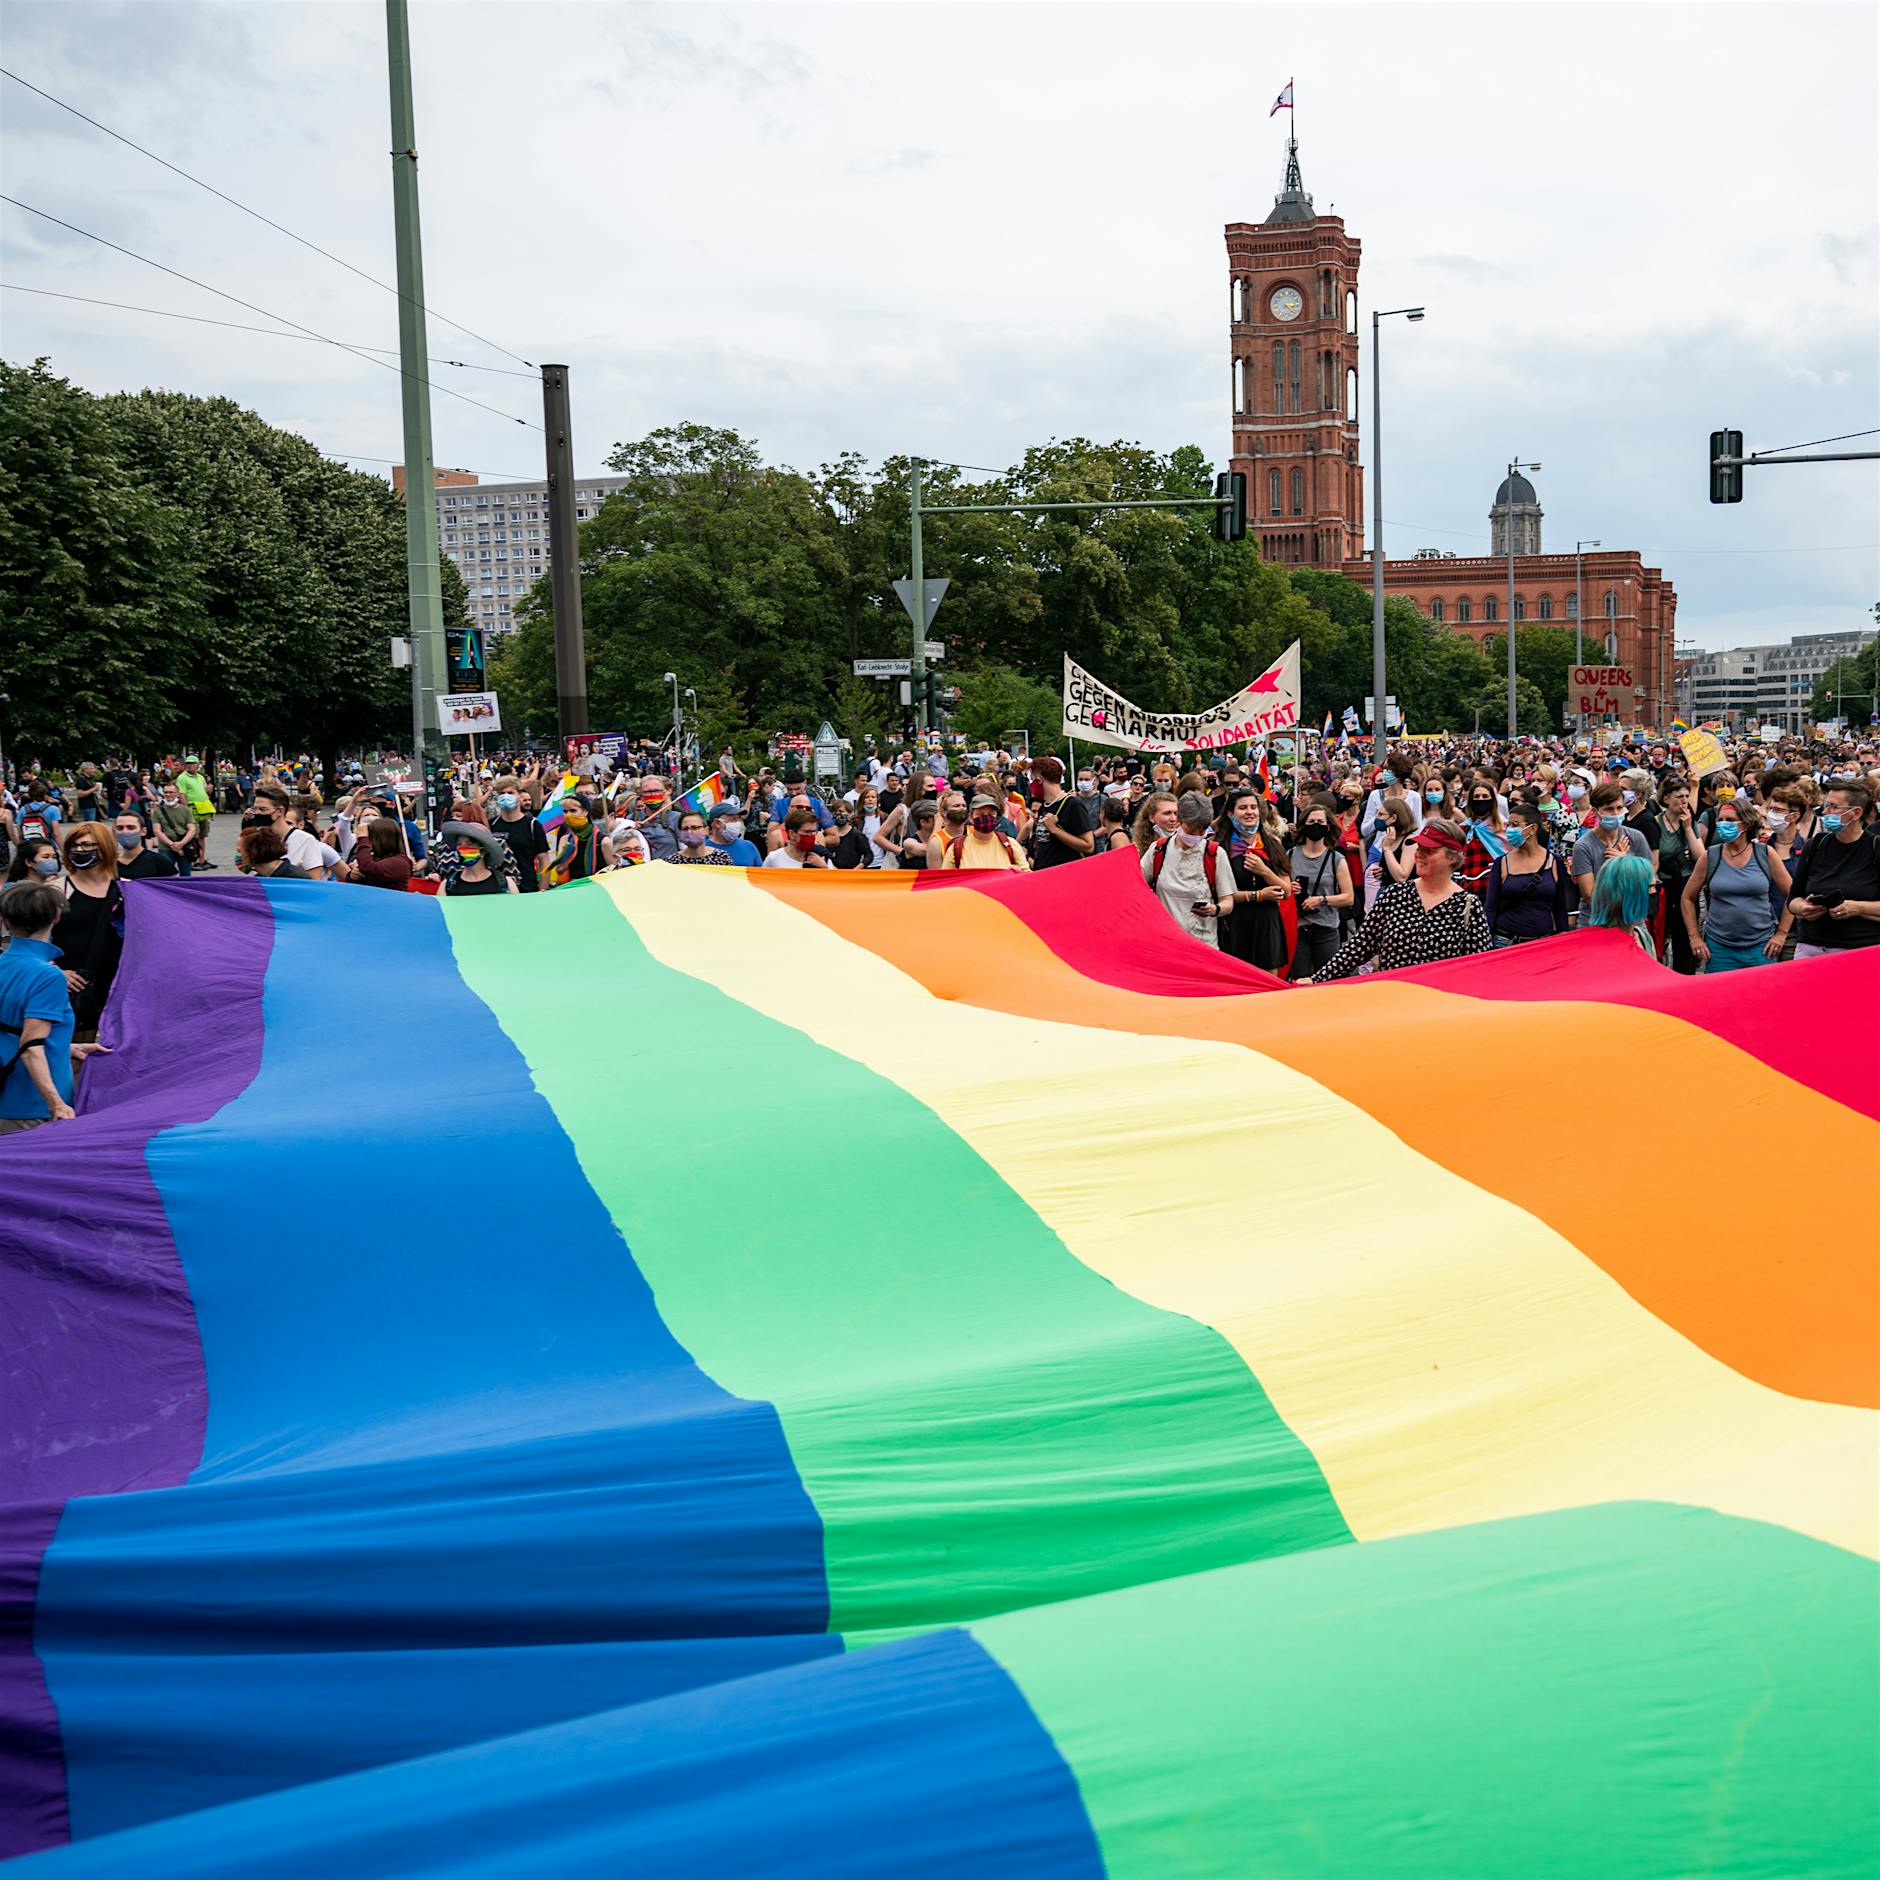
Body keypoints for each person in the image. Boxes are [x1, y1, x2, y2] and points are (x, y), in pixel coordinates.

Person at [1311, 820, 1491, 981]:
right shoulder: (1395, 894)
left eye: (1429, 851)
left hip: (1439, 1006)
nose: (1419, 854)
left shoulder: (1467, 906)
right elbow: (1361, 944)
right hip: (1392, 1001)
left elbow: (1479, 968)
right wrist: (1318, 979)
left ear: (1453, 857)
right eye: (1419, 849)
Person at [0, 880, 107, 1130]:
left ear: (5, 920)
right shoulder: (48, 976)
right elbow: (31, 1046)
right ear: (56, 917)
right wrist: (56, 1104)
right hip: (31, 1104)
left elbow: (11, 1027)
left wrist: (66, 1047)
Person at [1680, 798, 1788, 973]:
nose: (1723, 825)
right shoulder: (1711, 856)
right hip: (1719, 948)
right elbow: (1687, 897)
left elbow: (1791, 894)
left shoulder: (1765, 854)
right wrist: (1694, 937)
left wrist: (1781, 934)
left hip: (1761, 947)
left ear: (1746, 823)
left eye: (1730, 820)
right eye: (1720, 820)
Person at [1784, 779, 1880, 959]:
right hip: (1810, 948)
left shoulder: (1875, 847)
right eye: (1826, 805)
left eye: (1834, 807)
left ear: (1856, 812)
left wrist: (1856, 907)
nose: (1826, 811)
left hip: (1858, 950)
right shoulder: (1816, 845)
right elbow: (1793, 898)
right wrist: (1804, 908)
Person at [51, 822, 124, 1038]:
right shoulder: (56, 891)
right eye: (75, 846)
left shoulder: (125, 890)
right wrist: (55, 971)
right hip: (73, 987)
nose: (80, 851)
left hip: (116, 985)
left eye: (88, 845)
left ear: (105, 848)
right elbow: (31, 940)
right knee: (73, 1053)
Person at [1141, 791, 1236, 947]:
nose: (1198, 835)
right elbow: (1135, 883)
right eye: (1192, 830)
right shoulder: (1158, 850)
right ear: (1179, 821)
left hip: (1205, 945)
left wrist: (1215, 909)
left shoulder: (1216, 854)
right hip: (1165, 943)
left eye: (1203, 830)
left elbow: (1228, 902)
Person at [1286, 799, 1354, 979]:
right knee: (1298, 981)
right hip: (1298, 929)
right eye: (1311, 822)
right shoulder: (1291, 855)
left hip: (1326, 931)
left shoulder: (1336, 859)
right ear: (1303, 826)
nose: (1316, 826)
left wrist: (1322, 900)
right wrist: (1289, 888)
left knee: (1328, 981)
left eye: (1320, 822)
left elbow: (1348, 898)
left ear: (1328, 827)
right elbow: (1281, 888)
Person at [1484, 802, 1568, 946]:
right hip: (1505, 941)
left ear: (1533, 828)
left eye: (1515, 824)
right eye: (1509, 825)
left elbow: (1560, 907)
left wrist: (1563, 939)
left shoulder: (1554, 862)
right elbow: (1490, 907)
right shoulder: (1502, 863)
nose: (1510, 830)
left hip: (1543, 942)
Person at [1571, 782, 1655, 908]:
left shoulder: (1636, 837)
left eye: (1619, 808)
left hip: (1631, 914)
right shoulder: (1583, 846)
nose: (1616, 814)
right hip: (1597, 917)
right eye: (1609, 809)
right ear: (1595, 811)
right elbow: (1589, 895)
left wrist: (1625, 863)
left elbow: (1649, 879)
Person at [1026, 756, 1094, 869]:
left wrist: (1055, 829)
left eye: (1032, 780)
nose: (1031, 786)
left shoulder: (1073, 805)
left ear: (1039, 780)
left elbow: (1088, 846)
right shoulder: (1044, 806)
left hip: (1064, 876)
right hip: (1044, 875)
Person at [1585, 853, 1658, 957]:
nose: (1654, 892)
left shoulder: (1644, 937)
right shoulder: (1597, 946)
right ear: (1630, 894)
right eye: (1650, 887)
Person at [489, 777, 550, 891]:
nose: (506, 796)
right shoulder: (491, 825)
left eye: (510, 793)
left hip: (526, 887)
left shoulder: (533, 825)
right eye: (502, 793)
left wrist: (543, 889)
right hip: (498, 888)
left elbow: (545, 861)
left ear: (520, 795)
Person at [941, 795, 1030, 871]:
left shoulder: (1011, 845)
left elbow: (1028, 876)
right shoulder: (956, 848)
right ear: (971, 818)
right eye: (980, 814)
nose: (986, 817)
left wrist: (1018, 872)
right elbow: (946, 880)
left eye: (991, 814)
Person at [544, 794, 615, 885]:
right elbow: (560, 870)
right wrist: (567, 854)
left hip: (598, 886)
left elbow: (613, 869)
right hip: (576, 887)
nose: (568, 815)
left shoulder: (603, 841)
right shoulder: (566, 840)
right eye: (565, 811)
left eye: (573, 811)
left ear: (585, 812)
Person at [440, 821, 517, 894]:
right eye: (459, 844)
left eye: (469, 844)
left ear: (483, 851)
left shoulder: (506, 884)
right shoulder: (448, 885)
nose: (462, 848)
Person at [350, 818, 415, 892]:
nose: (368, 840)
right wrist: (352, 876)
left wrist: (363, 839)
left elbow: (367, 868)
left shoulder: (399, 862)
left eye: (369, 837)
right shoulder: (376, 858)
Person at [112, 812, 178, 881]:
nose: (125, 831)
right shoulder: (108, 864)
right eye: (120, 828)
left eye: (131, 827)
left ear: (143, 831)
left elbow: (172, 888)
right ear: (115, 832)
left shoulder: (159, 862)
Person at [152, 780, 199, 877]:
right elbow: (157, 831)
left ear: (177, 794)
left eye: (171, 792)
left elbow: (192, 829)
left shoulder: (185, 810)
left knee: (186, 874)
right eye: (165, 792)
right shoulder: (158, 811)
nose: (168, 795)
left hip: (184, 847)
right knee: (165, 875)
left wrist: (182, 843)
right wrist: (172, 844)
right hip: (165, 847)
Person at [761, 805, 831, 869]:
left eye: (813, 832)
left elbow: (836, 879)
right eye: (807, 832)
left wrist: (823, 867)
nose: (811, 835)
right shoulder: (774, 858)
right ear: (792, 834)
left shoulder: (822, 856)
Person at [176, 757, 216, 864]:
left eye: (192, 763)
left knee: (202, 836)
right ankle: (193, 859)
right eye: (188, 763)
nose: (190, 765)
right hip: (192, 809)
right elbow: (182, 795)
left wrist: (208, 791)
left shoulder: (201, 777)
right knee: (193, 836)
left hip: (203, 809)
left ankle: (202, 860)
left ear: (197, 765)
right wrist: (186, 812)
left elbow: (205, 793)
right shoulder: (182, 778)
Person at [236, 824, 310, 880]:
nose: (238, 856)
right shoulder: (261, 878)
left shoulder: (297, 879)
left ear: (253, 852)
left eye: (240, 851)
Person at [706, 799, 762, 866]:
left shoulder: (749, 847)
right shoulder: (703, 849)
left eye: (739, 819)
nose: (737, 823)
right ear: (717, 823)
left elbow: (761, 873)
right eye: (734, 819)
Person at [669, 807, 733, 866]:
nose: (689, 832)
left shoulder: (721, 857)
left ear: (706, 830)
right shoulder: (673, 861)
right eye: (685, 829)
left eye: (694, 827)